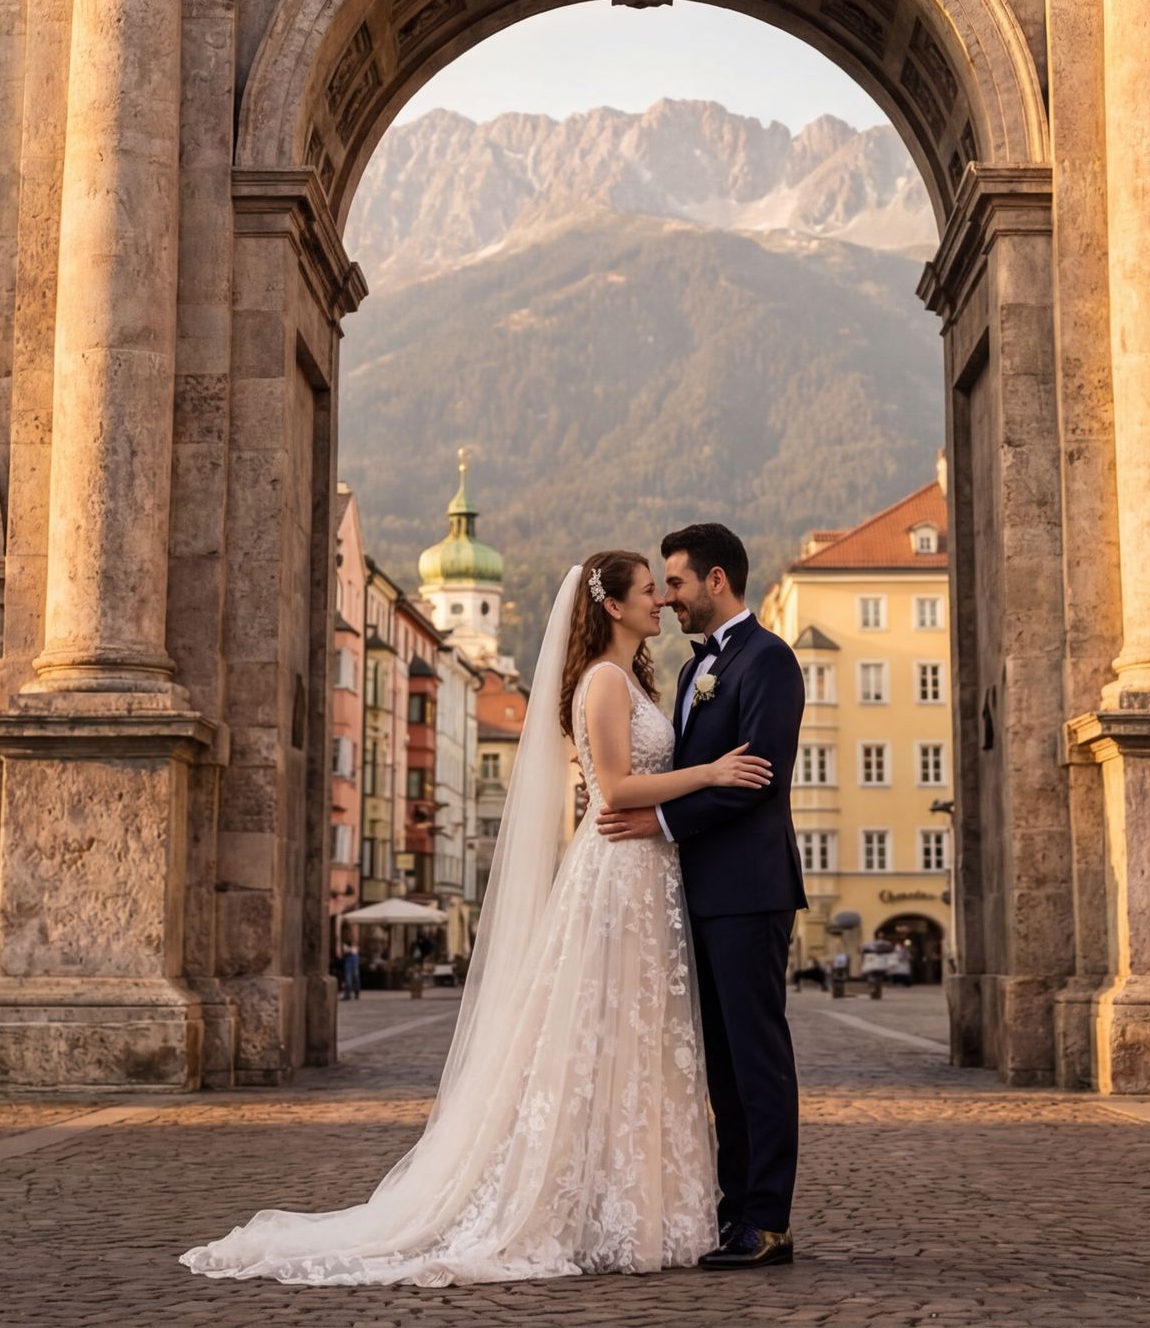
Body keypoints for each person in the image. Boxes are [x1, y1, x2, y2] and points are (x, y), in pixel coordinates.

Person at [185, 550, 770, 1285]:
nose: (662, 600)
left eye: (664, 587)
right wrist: (712, 772)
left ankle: (635, 1201)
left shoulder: (638, 678)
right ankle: (595, 1203)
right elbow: (617, 786)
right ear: (614, 606)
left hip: (646, 871)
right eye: (652, 590)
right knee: (602, 1031)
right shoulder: (602, 681)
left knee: (636, 1036)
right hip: (618, 871)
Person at [599, 521, 808, 1271]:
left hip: (750, 890)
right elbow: (699, 768)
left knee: (757, 1057)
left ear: (716, 580)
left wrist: (653, 817)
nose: (670, 598)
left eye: (677, 583)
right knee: (719, 1064)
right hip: (695, 890)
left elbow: (754, 779)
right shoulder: (692, 673)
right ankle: (733, 1213)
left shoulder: (770, 661)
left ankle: (768, 1220)